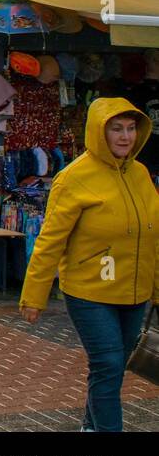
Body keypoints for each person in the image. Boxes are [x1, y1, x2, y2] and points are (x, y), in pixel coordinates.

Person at [20, 98, 159, 432]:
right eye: (116, 129)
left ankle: (89, 427)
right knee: (108, 364)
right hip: (89, 291)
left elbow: (152, 237)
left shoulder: (140, 174)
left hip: (133, 290)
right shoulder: (73, 178)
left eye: (131, 128)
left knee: (112, 368)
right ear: (99, 132)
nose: (125, 137)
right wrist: (34, 295)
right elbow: (50, 241)